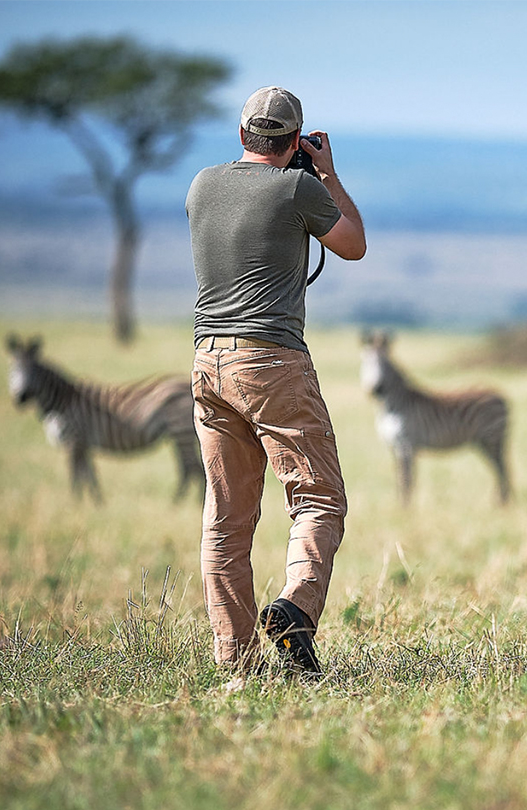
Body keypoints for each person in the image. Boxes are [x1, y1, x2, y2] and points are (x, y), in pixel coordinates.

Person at [186, 86, 366, 676]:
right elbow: (354, 245)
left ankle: (236, 665)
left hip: (207, 362)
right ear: (295, 142)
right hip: (271, 361)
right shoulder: (298, 187)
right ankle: (294, 611)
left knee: (225, 519)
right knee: (318, 498)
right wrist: (327, 175)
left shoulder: (201, 185)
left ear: (241, 136)